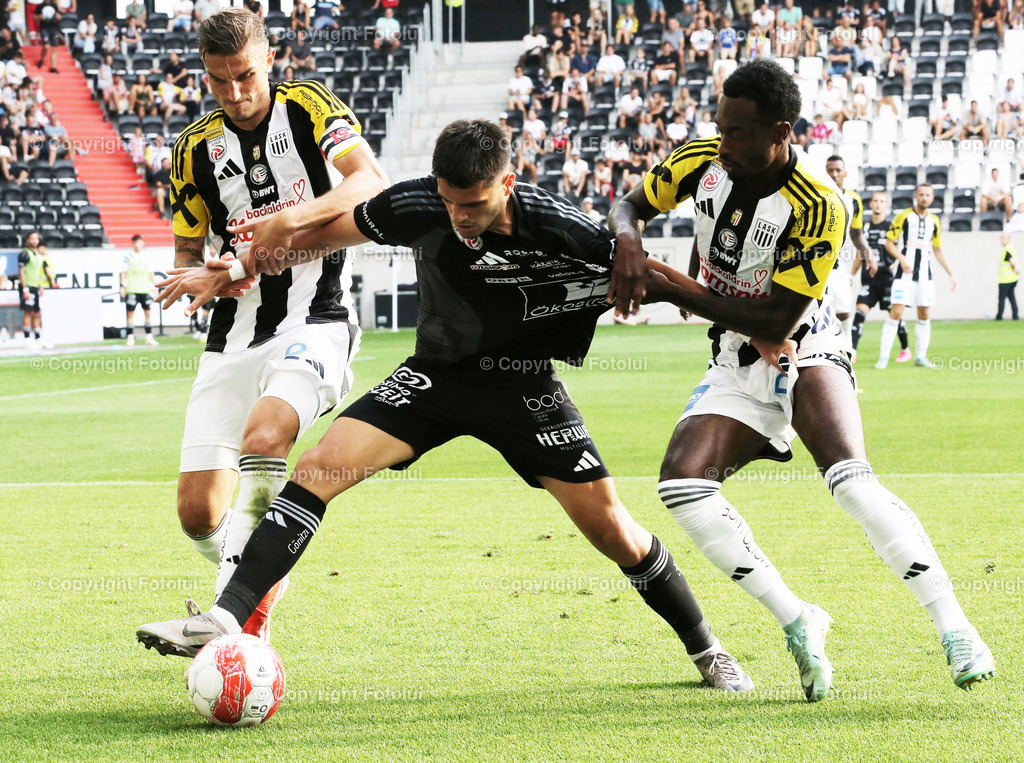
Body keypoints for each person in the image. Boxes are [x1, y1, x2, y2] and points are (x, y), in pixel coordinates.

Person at [138, 118, 755, 694]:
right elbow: (326, 236)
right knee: (317, 469)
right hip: (435, 379)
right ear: (438, 186)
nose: (462, 217)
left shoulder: (562, 227)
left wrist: (752, 327)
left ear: (506, 184)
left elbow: (656, 278)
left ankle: (707, 650)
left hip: (524, 389)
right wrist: (242, 263)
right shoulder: (414, 206)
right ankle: (227, 617)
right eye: (452, 201)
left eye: (477, 204)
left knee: (615, 531)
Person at [606, 59, 994, 700]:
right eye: (719, 126)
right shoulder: (703, 159)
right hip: (733, 356)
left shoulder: (820, 204)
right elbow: (630, 203)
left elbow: (778, 318)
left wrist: (675, 286)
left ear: (780, 131)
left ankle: (956, 628)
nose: (720, 142)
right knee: (681, 484)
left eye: (736, 132)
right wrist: (627, 240)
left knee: (850, 481)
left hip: (805, 346)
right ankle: (797, 617)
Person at [139, 8, 388, 645]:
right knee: (198, 514)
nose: (235, 94)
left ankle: (235, 612)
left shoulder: (308, 107)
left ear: (269, 59)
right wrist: (202, 273)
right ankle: (257, 562)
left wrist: (286, 224)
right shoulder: (194, 149)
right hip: (231, 337)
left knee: (267, 433)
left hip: (317, 319)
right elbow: (188, 255)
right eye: (219, 81)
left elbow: (368, 183)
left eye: (245, 76)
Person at [877, 184, 957, 368]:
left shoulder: (934, 221)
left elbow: (937, 249)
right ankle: (883, 357)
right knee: (896, 312)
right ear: (915, 196)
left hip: (925, 276)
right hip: (903, 275)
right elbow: (889, 243)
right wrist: (901, 258)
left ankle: (921, 356)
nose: (924, 198)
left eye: (928, 195)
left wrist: (951, 273)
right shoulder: (903, 216)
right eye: (921, 194)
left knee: (924, 314)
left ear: (932, 198)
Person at [850, 191, 910, 363]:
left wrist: (896, 263)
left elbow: (898, 250)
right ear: (870, 204)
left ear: (886, 205)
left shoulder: (891, 227)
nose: (878, 204)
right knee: (859, 314)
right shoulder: (864, 228)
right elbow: (860, 253)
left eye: (881, 201)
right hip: (868, 280)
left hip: (887, 280)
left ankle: (905, 349)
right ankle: (852, 351)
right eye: (875, 201)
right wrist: (852, 275)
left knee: (895, 316)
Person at [825, 155, 874, 347]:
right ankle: (825, 352)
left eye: (838, 170)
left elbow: (856, 233)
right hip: (816, 263)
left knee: (844, 311)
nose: (835, 174)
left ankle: (846, 350)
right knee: (819, 311)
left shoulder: (854, 200)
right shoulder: (819, 194)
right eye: (831, 170)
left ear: (845, 173)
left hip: (839, 265)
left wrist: (867, 252)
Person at [18, 230, 54, 349]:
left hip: (35, 286)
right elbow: (22, 273)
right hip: (27, 286)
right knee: (28, 312)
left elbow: (36, 272)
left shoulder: (38, 255)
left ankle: (38, 338)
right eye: (32, 239)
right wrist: (24, 289)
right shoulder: (24, 254)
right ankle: (27, 338)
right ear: (27, 240)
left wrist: (40, 286)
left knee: (37, 312)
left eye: (36, 239)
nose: (35, 241)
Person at [121, 234, 159, 346]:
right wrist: (122, 286)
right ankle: (130, 337)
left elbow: (151, 272)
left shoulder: (147, 257)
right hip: (132, 289)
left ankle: (149, 337)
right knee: (130, 314)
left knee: (147, 313)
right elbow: (123, 272)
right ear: (133, 244)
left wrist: (154, 286)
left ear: (143, 243)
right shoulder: (128, 257)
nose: (138, 245)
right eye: (136, 243)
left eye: (140, 242)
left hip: (145, 289)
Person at [996, 231, 1020, 319]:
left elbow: (1011, 261)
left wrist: (1016, 267)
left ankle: (999, 316)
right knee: (1011, 297)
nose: (1001, 240)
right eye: (1001, 238)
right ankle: (1015, 315)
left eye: (1003, 238)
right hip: (1012, 279)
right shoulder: (1011, 248)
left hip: (1006, 280)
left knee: (1001, 298)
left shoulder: (1007, 249)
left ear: (1008, 239)